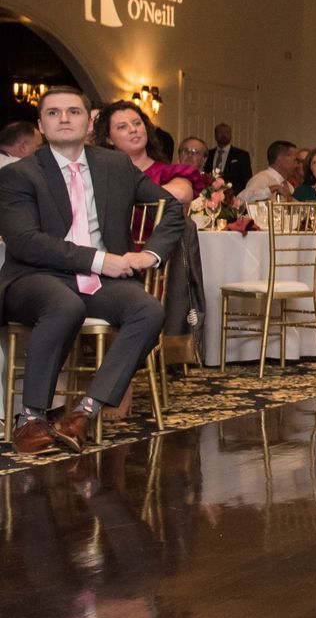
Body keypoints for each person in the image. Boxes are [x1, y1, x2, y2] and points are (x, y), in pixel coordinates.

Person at [0, 88, 183, 454]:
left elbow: (171, 207)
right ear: (40, 125)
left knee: (148, 310)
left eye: (73, 112)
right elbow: (25, 241)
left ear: (89, 123)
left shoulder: (115, 165)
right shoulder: (19, 174)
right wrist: (102, 260)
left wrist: (150, 254)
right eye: (53, 113)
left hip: (98, 281)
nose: (64, 118)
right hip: (34, 278)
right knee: (66, 305)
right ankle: (31, 417)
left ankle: (85, 412)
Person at [91, 100, 210, 350]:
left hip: (154, 265)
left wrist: (125, 194)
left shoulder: (168, 172)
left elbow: (180, 195)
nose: (134, 130)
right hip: (109, 259)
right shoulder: (98, 175)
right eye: (123, 127)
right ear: (109, 139)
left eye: (137, 123)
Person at [235, 140, 303, 203]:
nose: (297, 165)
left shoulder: (289, 186)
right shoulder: (261, 178)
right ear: (281, 159)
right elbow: (240, 201)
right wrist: (272, 189)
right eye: (295, 160)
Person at [202, 122, 250, 189]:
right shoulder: (208, 154)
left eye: (227, 133)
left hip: (234, 193)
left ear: (231, 135)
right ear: (215, 135)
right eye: (220, 132)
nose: (223, 135)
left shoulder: (242, 155)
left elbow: (247, 179)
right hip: (210, 193)